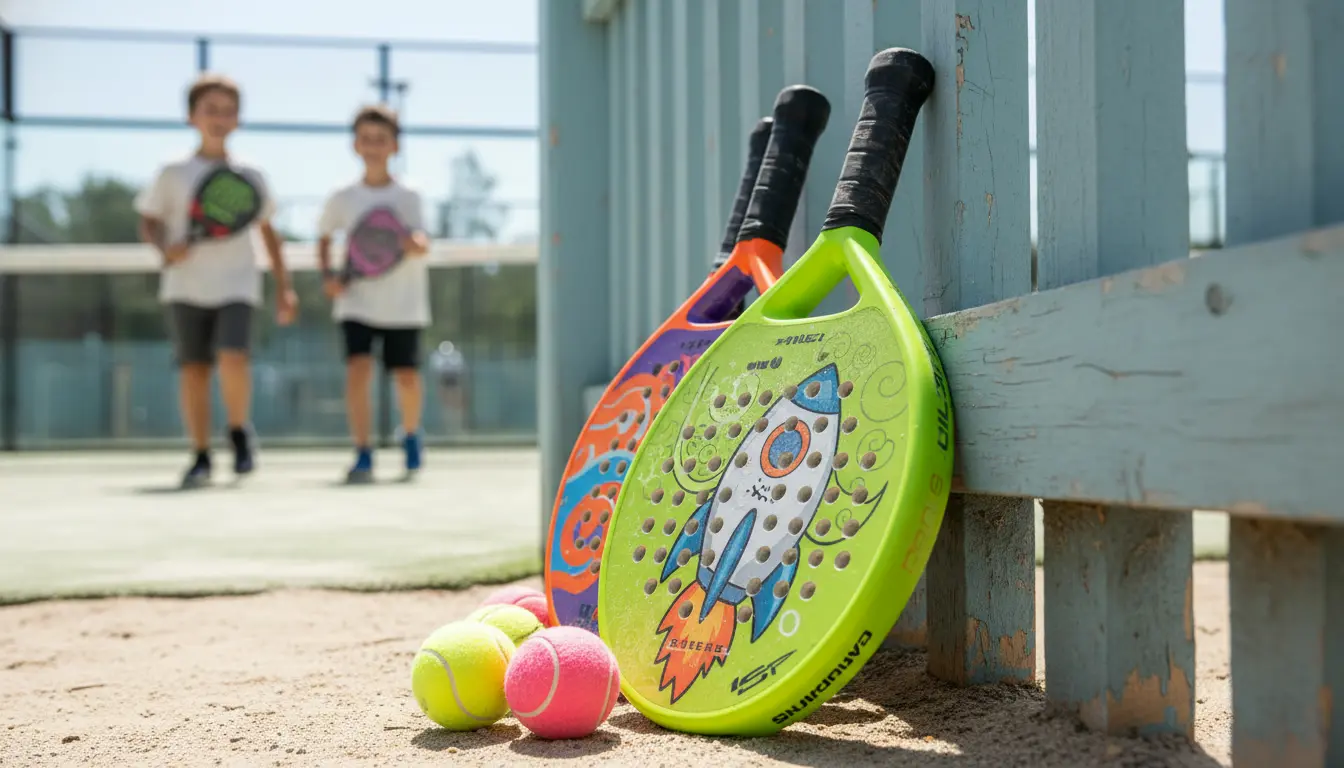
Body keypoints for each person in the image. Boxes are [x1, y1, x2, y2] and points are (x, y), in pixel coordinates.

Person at [135, 72, 297, 489]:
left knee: (233, 356)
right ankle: (201, 454)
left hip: (238, 284)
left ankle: (239, 431)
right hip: (184, 286)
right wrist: (164, 248)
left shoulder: (252, 175)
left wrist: (284, 287)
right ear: (192, 116)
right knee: (194, 370)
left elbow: (268, 233)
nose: (219, 118)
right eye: (211, 109)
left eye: (228, 111)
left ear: (238, 119)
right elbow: (149, 222)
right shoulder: (171, 172)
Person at [316, 104, 432, 483]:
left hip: (404, 305)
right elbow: (323, 236)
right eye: (366, 139)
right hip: (356, 303)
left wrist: (415, 243)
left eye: (381, 139)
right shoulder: (342, 196)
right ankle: (363, 451)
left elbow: (420, 239)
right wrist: (328, 275)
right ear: (355, 145)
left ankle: (411, 435)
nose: (373, 146)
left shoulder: (410, 195)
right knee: (357, 371)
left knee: (406, 378)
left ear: (394, 146)